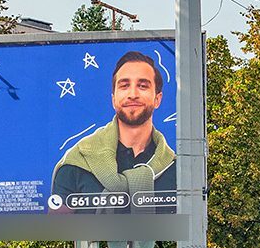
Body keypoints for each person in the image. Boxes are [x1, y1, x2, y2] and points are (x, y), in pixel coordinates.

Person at [50, 51, 176, 209]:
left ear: (157, 99)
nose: (132, 94)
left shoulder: (176, 169)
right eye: (124, 86)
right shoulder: (77, 163)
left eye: (143, 86)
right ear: (113, 99)